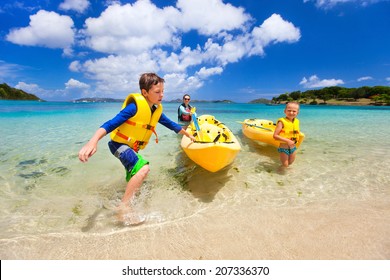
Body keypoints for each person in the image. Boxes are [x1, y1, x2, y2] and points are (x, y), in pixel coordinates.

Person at [78, 73, 196, 225]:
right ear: (145, 92)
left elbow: (172, 125)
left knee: (137, 175)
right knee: (143, 169)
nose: (162, 95)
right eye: (157, 92)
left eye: (163, 91)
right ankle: (123, 208)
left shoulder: (155, 110)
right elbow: (110, 124)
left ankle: (125, 199)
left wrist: (188, 134)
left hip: (131, 147)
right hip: (118, 145)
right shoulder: (133, 107)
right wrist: (92, 142)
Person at [273, 101, 301, 167]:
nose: (291, 113)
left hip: (293, 147)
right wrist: (288, 141)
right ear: (285, 111)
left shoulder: (297, 121)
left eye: (294, 111)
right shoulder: (281, 122)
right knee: (285, 165)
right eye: (289, 110)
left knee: (290, 163)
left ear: (297, 113)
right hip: (284, 148)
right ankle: (280, 172)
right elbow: (275, 136)